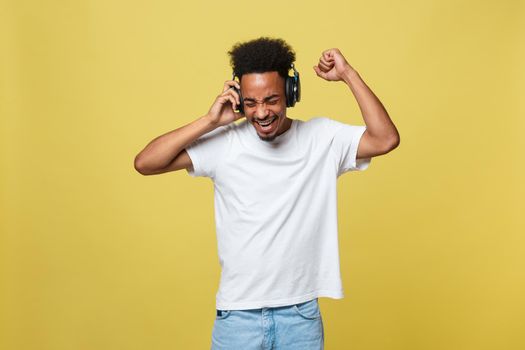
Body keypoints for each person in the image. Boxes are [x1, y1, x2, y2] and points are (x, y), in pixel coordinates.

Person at [134, 37, 400, 350]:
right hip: (237, 317)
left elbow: (385, 139)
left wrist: (349, 75)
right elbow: (145, 163)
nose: (261, 113)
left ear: (291, 93)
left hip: (299, 316)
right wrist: (209, 121)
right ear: (237, 100)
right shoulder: (225, 142)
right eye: (250, 103)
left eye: (272, 100)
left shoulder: (321, 139)